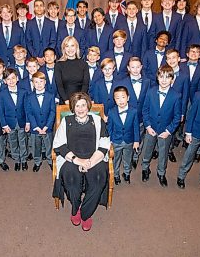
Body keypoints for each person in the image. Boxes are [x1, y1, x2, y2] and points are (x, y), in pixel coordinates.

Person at [52, 92, 110, 231]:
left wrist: (90, 161)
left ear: (88, 106)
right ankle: (76, 207)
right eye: (77, 105)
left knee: (98, 179)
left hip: (94, 158)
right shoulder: (67, 121)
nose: (81, 108)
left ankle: (86, 213)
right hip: (72, 159)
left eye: (83, 105)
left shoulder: (97, 120)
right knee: (71, 180)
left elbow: (104, 144)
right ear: (73, 107)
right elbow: (59, 146)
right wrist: (78, 161)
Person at [141, 65, 182, 186]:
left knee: (163, 153)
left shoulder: (176, 95)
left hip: (165, 130)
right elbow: (145, 110)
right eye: (161, 76)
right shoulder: (150, 91)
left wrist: (169, 131)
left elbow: (177, 117)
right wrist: (148, 126)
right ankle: (145, 168)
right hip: (151, 128)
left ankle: (161, 173)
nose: (164, 80)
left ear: (172, 80)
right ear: (157, 77)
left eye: (167, 77)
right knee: (147, 150)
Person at [118, 57, 150, 169]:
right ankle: (125, 157)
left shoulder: (147, 82)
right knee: (127, 137)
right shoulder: (122, 82)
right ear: (128, 68)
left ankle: (135, 157)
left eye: (138, 67)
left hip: (141, 116)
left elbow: (149, 100)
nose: (135, 69)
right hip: (126, 116)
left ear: (141, 67)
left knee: (139, 137)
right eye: (133, 67)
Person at [107, 86, 139, 185]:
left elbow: (136, 127)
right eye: (117, 98)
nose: (121, 100)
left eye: (123, 97)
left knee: (127, 158)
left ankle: (126, 173)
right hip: (116, 141)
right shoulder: (111, 112)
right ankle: (116, 175)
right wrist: (110, 141)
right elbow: (110, 128)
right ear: (114, 100)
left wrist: (136, 141)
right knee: (115, 159)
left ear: (128, 98)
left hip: (129, 140)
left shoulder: (133, 111)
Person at [0, 68, 28, 171]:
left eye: (13, 78)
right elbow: (0, 112)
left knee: (23, 141)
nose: (11, 81)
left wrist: (27, 122)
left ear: (17, 79)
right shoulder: (1, 94)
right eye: (8, 79)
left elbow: (26, 108)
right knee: (13, 142)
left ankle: (23, 160)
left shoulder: (23, 92)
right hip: (9, 123)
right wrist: (4, 125)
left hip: (21, 122)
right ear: (4, 81)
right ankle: (17, 160)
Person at [25, 71, 55, 172]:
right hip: (35, 127)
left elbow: (52, 112)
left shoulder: (50, 96)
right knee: (36, 146)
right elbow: (29, 113)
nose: (39, 84)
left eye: (41, 82)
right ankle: (37, 161)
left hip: (47, 126)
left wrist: (47, 126)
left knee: (49, 145)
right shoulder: (29, 97)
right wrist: (36, 126)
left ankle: (51, 161)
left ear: (45, 82)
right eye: (36, 82)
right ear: (33, 83)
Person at [54, 36, 89, 104]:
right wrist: (66, 100)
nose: (70, 49)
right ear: (64, 49)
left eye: (72, 45)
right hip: (65, 102)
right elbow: (59, 85)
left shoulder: (84, 64)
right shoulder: (58, 65)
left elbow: (85, 85)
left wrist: (79, 100)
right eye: (67, 46)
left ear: (76, 47)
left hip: (81, 102)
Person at [25, 0, 57, 65]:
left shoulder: (51, 23)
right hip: (34, 59)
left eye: (41, 5)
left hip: (47, 59)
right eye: (37, 6)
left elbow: (53, 41)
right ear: (34, 8)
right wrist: (36, 57)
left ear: (44, 8)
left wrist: (46, 56)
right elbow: (28, 42)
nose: (39, 8)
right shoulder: (29, 23)